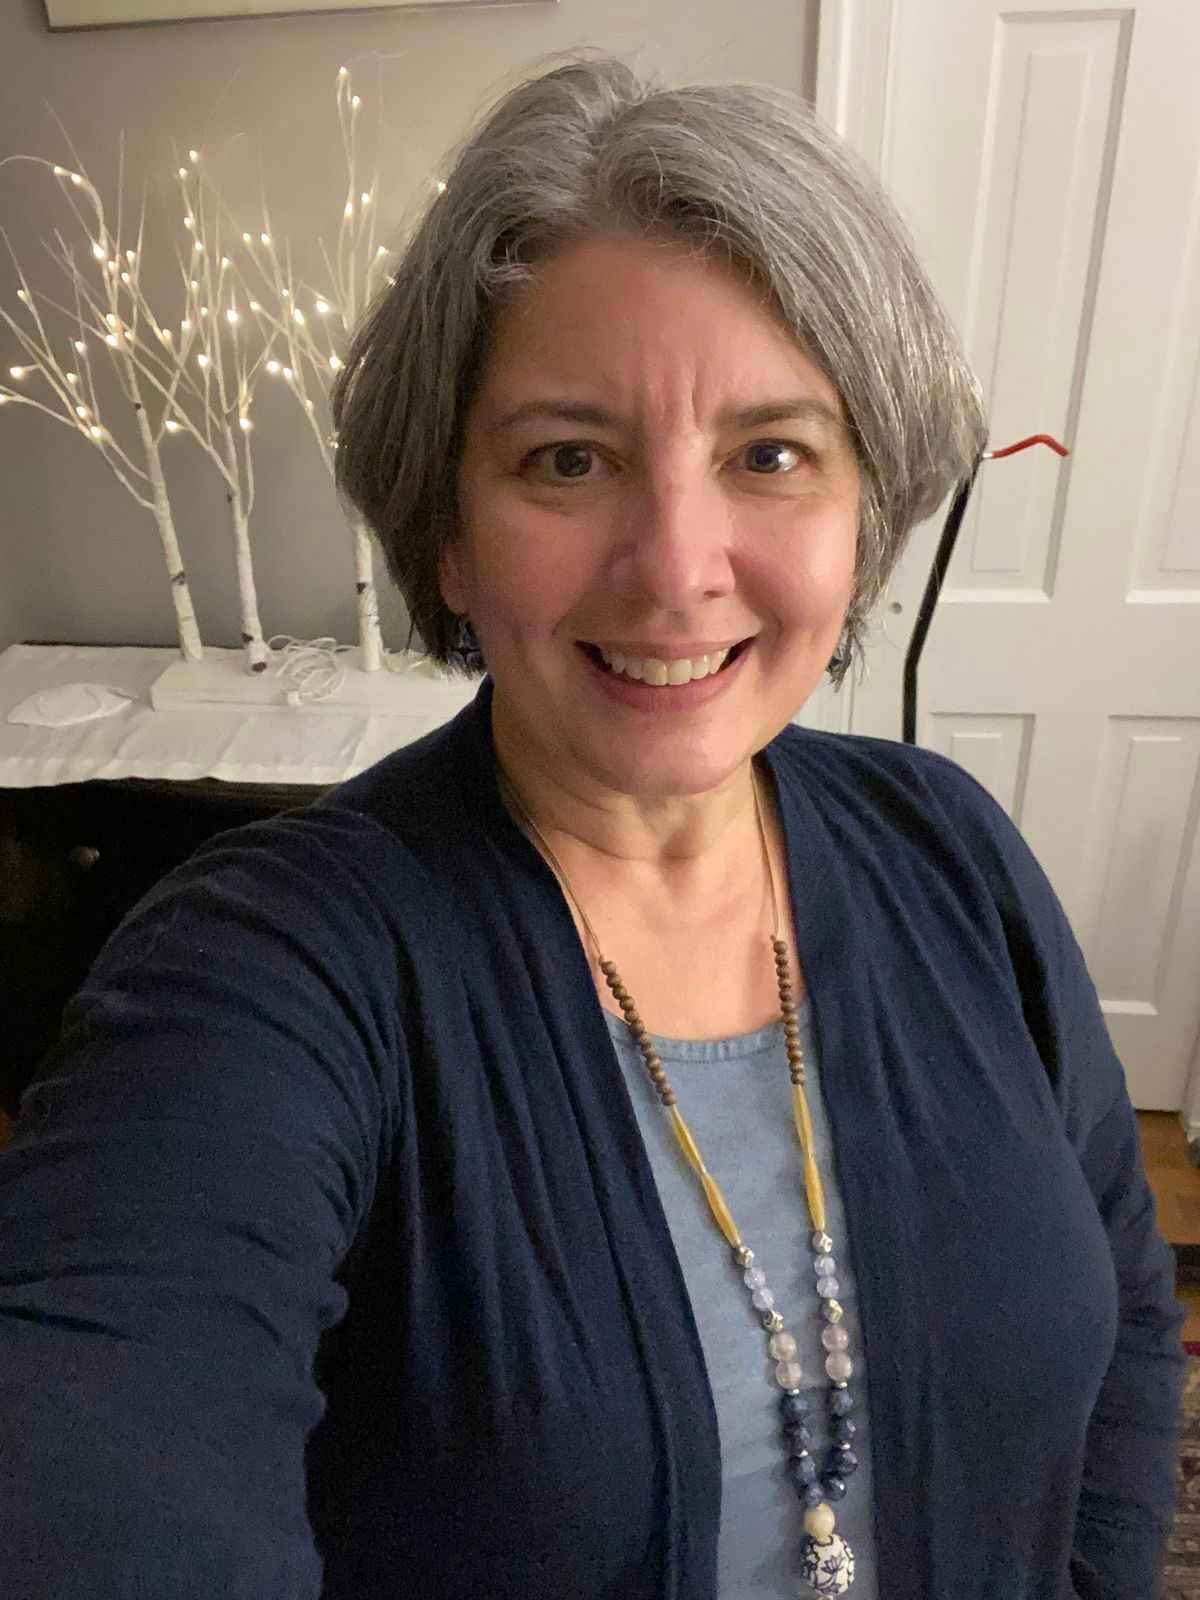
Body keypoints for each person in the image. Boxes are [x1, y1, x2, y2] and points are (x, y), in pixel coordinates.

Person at [0, 53, 1184, 1600]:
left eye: (770, 454)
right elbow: (105, 1441)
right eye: (569, 458)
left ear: (864, 509)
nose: (677, 568)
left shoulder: (953, 850)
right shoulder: (266, 970)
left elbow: (1126, 1309)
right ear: (447, 527)